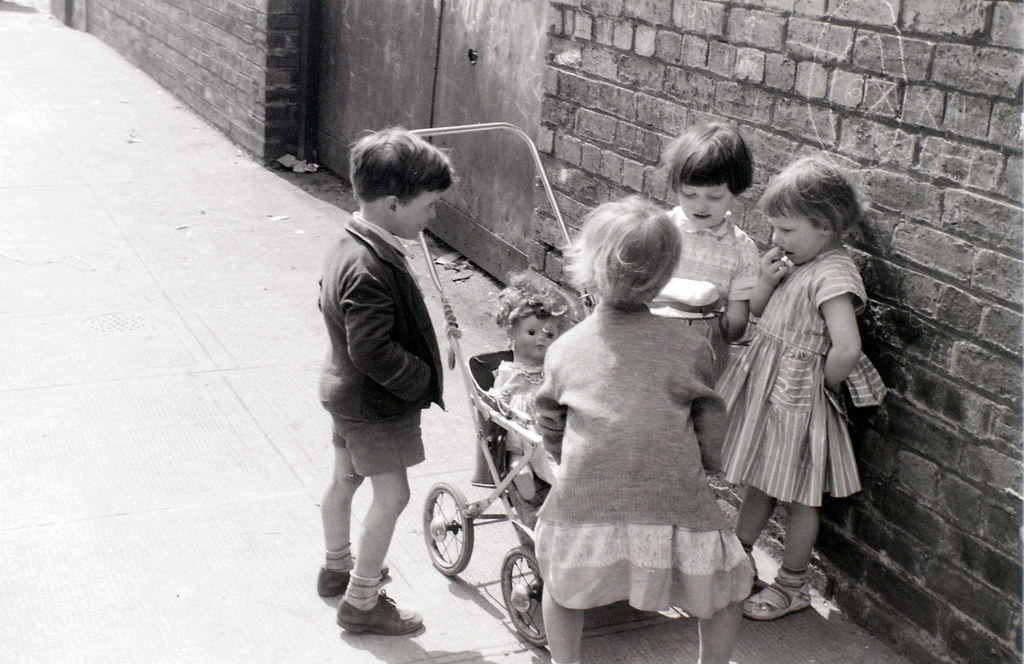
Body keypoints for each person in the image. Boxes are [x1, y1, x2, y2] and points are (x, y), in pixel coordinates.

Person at [533, 196, 751, 664]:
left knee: (563, 587)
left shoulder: (565, 348)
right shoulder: (689, 348)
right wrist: (711, 468)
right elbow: (711, 420)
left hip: (587, 491)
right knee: (728, 589)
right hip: (670, 491)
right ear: (667, 273)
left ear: (587, 267)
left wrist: (559, 453)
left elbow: (550, 417)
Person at [717, 156, 886, 621]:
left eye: (787, 231)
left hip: (798, 400)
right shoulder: (798, 261)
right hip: (774, 397)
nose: (777, 240)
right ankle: (737, 559)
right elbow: (756, 312)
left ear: (827, 226)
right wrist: (769, 280)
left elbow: (847, 347)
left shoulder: (833, 273)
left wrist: (818, 389)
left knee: (800, 496)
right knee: (760, 482)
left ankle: (792, 585)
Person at [315, 127, 455, 635]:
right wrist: (419, 380)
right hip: (375, 404)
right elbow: (371, 349)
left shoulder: (350, 242)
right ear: (394, 204)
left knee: (345, 479)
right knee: (392, 497)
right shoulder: (369, 265)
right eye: (430, 206)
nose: (434, 216)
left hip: (345, 394)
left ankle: (336, 568)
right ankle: (362, 600)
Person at [650, 122, 761, 378]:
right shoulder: (660, 231)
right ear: (676, 187)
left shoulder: (742, 249)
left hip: (703, 356)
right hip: (651, 344)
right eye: (690, 194)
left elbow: (737, 324)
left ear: (736, 191)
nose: (701, 205)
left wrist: (711, 327)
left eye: (714, 197)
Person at [488, 271, 576, 508]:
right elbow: (500, 401)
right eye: (531, 332)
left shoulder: (554, 367)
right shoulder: (510, 372)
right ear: (512, 332)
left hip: (551, 424)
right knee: (539, 452)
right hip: (525, 429)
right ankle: (522, 466)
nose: (541, 340)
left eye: (549, 334)